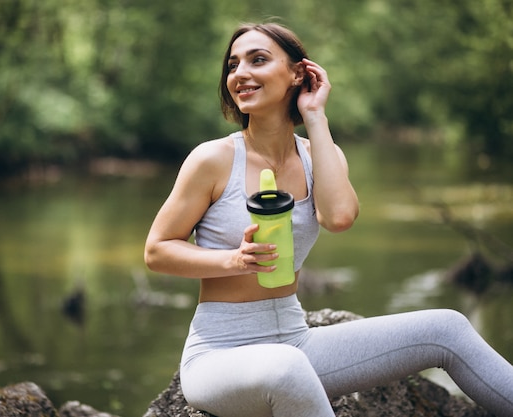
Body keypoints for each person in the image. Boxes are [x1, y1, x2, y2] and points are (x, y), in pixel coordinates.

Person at [144, 22, 513, 417]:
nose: (241, 74)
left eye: (258, 60)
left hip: (296, 342)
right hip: (219, 356)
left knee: (446, 328)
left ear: (298, 73)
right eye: (233, 65)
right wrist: (232, 260)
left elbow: (338, 217)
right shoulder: (213, 159)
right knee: (286, 369)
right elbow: (157, 251)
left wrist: (315, 116)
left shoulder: (319, 154)